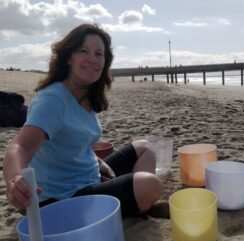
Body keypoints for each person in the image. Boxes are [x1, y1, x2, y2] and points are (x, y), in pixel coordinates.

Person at [3, 23, 162, 218]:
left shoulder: (86, 96)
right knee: (150, 184)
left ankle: (130, 203)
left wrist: (98, 162)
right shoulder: (53, 100)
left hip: (89, 178)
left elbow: (75, 143)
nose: (92, 59)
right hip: (61, 199)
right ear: (69, 57)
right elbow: (21, 146)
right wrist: (14, 178)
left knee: (145, 148)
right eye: (84, 51)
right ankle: (133, 206)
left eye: (99, 54)